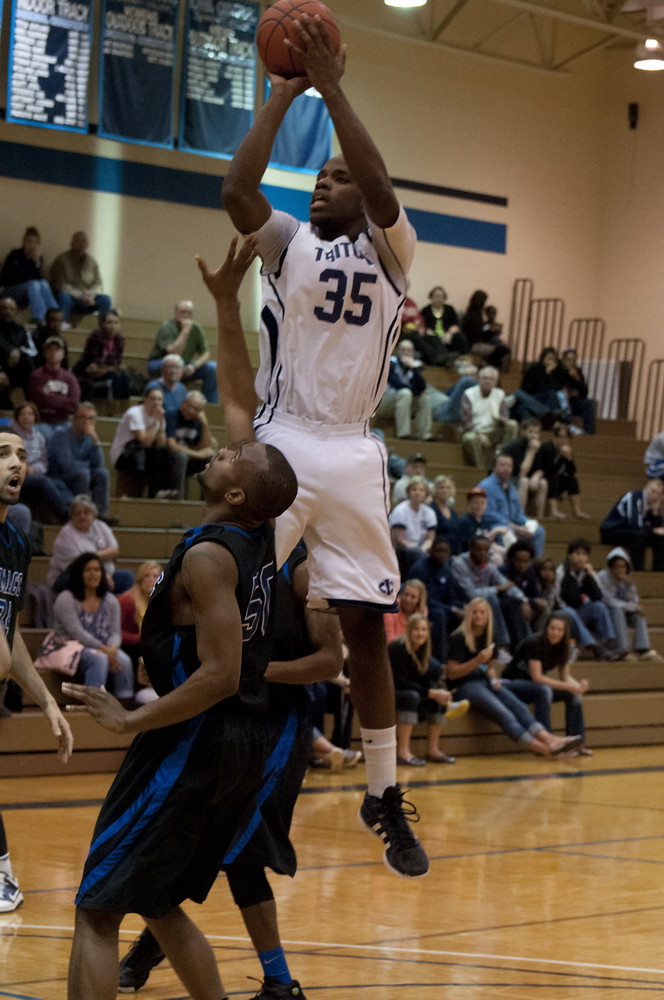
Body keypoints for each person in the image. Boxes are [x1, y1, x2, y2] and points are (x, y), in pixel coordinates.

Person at [222, 14, 429, 878]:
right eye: (316, 176)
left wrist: (335, 87)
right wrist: (283, 92)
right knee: (226, 596)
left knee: (365, 629)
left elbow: (381, 188)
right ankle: (210, 746)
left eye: (335, 178)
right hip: (282, 441)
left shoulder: (394, 248)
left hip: (350, 449)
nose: (321, 185)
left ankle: (381, 791)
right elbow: (238, 191)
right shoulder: (288, 243)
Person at [64, 241, 299, 1000]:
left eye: (236, 456)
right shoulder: (255, 524)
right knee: (158, 904)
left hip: (196, 740)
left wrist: (132, 722)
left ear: (236, 494)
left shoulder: (208, 558)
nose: (229, 447)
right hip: (234, 744)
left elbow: (222, 673)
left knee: (97, 908)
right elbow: (239, 398)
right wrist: (229, 302)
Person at [0, 430, 73, 912]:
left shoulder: (15, 542)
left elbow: (11, 639)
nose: (16, 464)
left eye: (23, 456)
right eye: (3, 454)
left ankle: (4, 875)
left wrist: (46, 700)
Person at [445, 598, 581, 757]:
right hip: (465, 686)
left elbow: (489, 667)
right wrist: (477, 661)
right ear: (469, 614)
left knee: (519, 707)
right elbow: (451, 673)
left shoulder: (490, 636)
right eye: (475, 612)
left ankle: (550, 739)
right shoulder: (459, 637)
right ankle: (545, 750)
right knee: (505, 714)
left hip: (485, 682)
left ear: (488, 615)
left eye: (482, 612)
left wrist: (493, 677)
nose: (478, 616)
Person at [52, 553, 135, 703]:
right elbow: (76, 632)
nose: (93, 574)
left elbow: (115, 632)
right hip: (68, 647)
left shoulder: (110, 599)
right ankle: (93, 703)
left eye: (97, 570)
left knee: (125, 660)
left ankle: (125, 703)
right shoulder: (66, 598)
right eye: (88, 570)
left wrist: (113, 649)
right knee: (99, 659)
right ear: (79, 573)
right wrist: (104, 650)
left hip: (103, 648)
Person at [503, 613, 590, 754]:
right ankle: (548, 741)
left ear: (564, 632)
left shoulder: (564, 647)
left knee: (573, 696)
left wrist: (578, 687)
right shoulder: (534, 642)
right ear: (546, 628)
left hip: (534, 687)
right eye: (552, 628)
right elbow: (537, 677)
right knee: (544, 690)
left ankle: (578, 744)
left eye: (559, 630)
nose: (555, 632)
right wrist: (570, 686)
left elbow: (566, 676)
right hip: (512, 685)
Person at [389, 614, 469, 766]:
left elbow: (426, 680)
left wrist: (440, 692)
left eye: (424, 630)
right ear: (408, 630)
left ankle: (433, 750)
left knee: (437, 698)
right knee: (412, 697)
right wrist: (431, 693)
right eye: (416, 629)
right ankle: (403, 752)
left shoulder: (424, 652)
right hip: (390, 691)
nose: (420, 633)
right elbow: (400, 682)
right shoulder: (397, 648)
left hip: (409, 689)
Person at [450, 535, 529, 656]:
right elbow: (471, 593)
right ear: (470, 549)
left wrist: (524, 600)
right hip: (461, 602)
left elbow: (505, 584)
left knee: (513, 602)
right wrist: (497, 588)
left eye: (486, 550)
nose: (482, 553)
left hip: (481, 604)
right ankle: (502, 645)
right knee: (491, 598)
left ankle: (526, 648)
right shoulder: (459, 564)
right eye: (478, 549)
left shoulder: (488, 564)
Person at [46, 494, 132, 594]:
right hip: (71, 575)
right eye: (77, 514)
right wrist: (103, 561)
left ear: (93, 514)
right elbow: (82, 564)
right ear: (72, 517)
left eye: (86, 513)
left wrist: (94, 558)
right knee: (88, 581)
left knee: (127, 577)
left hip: (102, 573)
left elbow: (114, 550)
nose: (82, 516)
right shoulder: (66, 534)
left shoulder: (101, 526)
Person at [109, 386, 180, 500]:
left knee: (168, 453)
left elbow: (161, 443)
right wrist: (156, 421)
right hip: (124, 454)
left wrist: (161, 425)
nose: (156, 403)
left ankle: (169, 490)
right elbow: (145, 441)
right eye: (153, 399)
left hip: (144, 454)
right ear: (145, 399)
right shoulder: (134, 413)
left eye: (159, 399)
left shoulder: (160, 416)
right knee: (155, 454)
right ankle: (154, 492)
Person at [47, 402, 112, 521]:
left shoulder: (89, 437)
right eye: (83, 417)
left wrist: (95, 440)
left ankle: (100, 515)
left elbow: (98, 464)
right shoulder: (61, 435)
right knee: (82, 473)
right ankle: (84, 513)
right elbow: (66, 465)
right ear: (74, 419)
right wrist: (86, 466)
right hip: (58, 476)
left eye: (91, 418)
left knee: (103, 473)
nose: (87, 421)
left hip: (80, 473)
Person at [598, 547, 663, 662]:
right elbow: (609, 601)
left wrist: (628, 586)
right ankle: (622, 649)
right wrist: (632, 607)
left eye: (622, 567)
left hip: (623, 612)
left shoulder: (627, 579)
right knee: (618, 610)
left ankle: (643, 649)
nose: (619, 570)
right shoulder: (603, 577)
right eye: (616, 567)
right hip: (608, 613)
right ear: (610, 567)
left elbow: (634, 601)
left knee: (638, 615)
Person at [556, 538, 620, 657]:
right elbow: (557, 600)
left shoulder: (587, 572)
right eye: (577, 554)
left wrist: (591, 576)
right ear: (569, 555)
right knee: (569, 612)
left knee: (599, 606)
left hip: (580, 611)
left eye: (584, 554)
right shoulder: (561, 572)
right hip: (562, 614)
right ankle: (593, 645)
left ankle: (608, 643)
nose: (581, 558)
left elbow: (599, 596)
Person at [10, 401, 71, 524]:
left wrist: (34, 469)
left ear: (35, 417)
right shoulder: (10, 434)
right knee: (44, 482)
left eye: (30, 414)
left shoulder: (39, 436)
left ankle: (73, 509)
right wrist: (25, 468)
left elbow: (43, 462)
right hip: (16, 477)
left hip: (34, 474)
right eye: (23, 414)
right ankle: (63, 514)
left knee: (59, 483)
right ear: (17, 417)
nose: (27, 417)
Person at [148, 300, 218, 403]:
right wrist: (185, 331)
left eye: (189, 313)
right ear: (176, 313)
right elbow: (173, 353)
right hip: (160, 363)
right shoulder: (167, 326)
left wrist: (194, 366)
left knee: (213, 368)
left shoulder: (196, 328)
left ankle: (208, 404)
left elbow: (206, 353)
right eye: (183, 312)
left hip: (184, 365)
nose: (186, 315)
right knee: (174, 366)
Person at [479, 452, 546, 557]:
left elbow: (518, 513)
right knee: (506, 532)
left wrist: (528, 524)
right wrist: (515, 528)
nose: (506, 468)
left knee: (539, 531)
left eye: (509, 466)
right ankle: (509, 565)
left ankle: (535, 564)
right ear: (494, 467)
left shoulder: (512, 488)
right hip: (495, 527)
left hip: (513, 525)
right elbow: (488, 515)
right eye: (502, 465)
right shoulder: (486, 486)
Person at [600, 479, 664, 572]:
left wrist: (655, 513)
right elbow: (635, 524)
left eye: (659, 493)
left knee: (660, 538)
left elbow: (657, 527)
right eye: (653, 491)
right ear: (646, 489)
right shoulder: (633, 497)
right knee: (639, 535)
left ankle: (659, 571)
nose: (655, 496)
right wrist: (653, 530)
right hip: (612, 531)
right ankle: (638, 571)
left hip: (631, 532)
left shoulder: (652, 504)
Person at [459, 365, 518, 467]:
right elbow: (466, 420)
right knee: (470, 438)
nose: (487, 381)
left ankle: (501, 456)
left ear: (495, 382)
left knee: (512, 424)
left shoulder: (500, 394)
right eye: (484, 378)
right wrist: (478, 434)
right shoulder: (469, 394)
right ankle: (481, 469)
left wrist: (500, 419)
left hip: (493, 430)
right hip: (475, 431)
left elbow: (505, 415)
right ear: (479, 379)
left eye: (491, 379)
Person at [375, 338, 433, 441]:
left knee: (425, 397)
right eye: (403, 350)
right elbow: (396, 384)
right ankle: (403, 434)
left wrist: (414, 369)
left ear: (413, 352)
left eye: (409, 350)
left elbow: (422, 388)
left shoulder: (415, 365)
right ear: (398, 351)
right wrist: (414, 390)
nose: (406, 352)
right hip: (385, 403)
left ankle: (424, 434)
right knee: (405, 393)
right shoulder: (391, 362)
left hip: (404, 404)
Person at [49, 230, 111, 325]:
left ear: (87, 244)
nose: (81, 244)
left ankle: (103, 328)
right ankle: (62, 325)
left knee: (105, 299)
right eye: (78, 241)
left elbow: (98, 284)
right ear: (72, 243)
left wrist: (92, 294)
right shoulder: (61, 260)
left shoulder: (92, 262)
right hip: (71, 299)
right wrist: (80, 294)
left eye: (84, 242)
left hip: (88, 301)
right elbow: (59, 284)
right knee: (64, 296)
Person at [531, 421, 589, 520]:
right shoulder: (546, 448)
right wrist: (559, 456)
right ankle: (554, 511)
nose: (564, 440)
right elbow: (547, 469)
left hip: (557, 481)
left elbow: (571, 471)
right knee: (553, 477)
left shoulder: (567, 450)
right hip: (544, 479)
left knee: (572, 479)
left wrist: (569, 458)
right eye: (561, 437)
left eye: (567, 438)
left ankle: (577, 511)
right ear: (554, 437)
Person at [0, 226, 58, 323]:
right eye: (29, 241)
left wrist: (36, 263)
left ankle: (56, 317)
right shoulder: (15, 255)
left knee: (43, 283)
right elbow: (8, 278)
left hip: (29, 294)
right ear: (24, 242)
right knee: (33, 284)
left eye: (35, 242)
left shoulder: (37, 259)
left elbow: (38, 280)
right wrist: (29, 264)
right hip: (10, 291)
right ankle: (40, 318)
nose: (32, 245)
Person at [166, 390, 216, 500]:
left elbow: (204, 448)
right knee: (181, 457)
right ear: (183, 403)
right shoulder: (171, 415)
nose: (192, 411)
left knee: (211, 459)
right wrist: (198, 455)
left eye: (197, 409)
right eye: (190, 406)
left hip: (187, 459)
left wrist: (205, 424)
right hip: (168, 459)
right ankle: (178, 499)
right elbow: (171, 445)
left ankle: (207, 502)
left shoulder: (197, 421)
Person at [28, 335, 81, 441]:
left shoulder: (70, 378)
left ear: (63, 354)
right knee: (45, 434)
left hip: (64, 421)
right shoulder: (36, 376)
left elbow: (74, 403)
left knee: (66, 434)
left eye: (57, 350)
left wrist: (50, 399)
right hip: (42, 421)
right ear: (44, 353)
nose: (53, 352)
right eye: (50, 349)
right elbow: (37, 401)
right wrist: (62, 401)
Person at [72, 310, 131, 402]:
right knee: (116, 376)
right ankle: (113, 408)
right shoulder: (96, 337)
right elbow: (95, 364)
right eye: (109, 322)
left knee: (124, 376)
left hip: (108, 372)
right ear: (102, 324)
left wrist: (111, 368)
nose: (113, 326)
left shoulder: (119, 339)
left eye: (116, 323)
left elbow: (116, 363)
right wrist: (112, 368)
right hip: (87, 374)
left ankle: (123, 407)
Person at [500, 418, 548, 520]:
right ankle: (519, 516)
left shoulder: (538, 446)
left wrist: (536, 476)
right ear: (523, 431)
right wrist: (531, 452)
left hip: (526, 480)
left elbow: (540, 469)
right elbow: (521, 473)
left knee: (543, 483)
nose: (534, 435)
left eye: (536, 432)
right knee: (524, 481)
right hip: (509, 480)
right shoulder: (515, 446)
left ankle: (540, 517)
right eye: (530, 432)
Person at [118, 561, 162, 672]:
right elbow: (117, 633)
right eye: (147, 575)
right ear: (140, 578)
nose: (150, 579)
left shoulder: (160, 601)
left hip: (148, 645)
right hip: (130, 647)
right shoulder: (127, 600)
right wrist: (140, 638)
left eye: (155, 576)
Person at [389, 475, 437, 576]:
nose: (417, 493)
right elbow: (398, 539)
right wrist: (417, 550)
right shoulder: (400, 510)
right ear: (408, 492)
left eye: (421, 490)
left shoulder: (429, 512)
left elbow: (430, 538)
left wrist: (422, 550)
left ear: (426, 494)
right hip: (403, 550)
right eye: (414, 489)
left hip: (421, 550)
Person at [410, 285, 467, 367]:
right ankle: (442, 358)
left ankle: (464, 360)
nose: (438, 299)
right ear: (431, 297)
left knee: (460, 337)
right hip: (433, 336)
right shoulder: (426, 310)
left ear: (444, 298)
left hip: (447, 336)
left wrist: (449, 334)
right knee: (430, 339)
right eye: (436, 296)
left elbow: (456, 325)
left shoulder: (449, 309)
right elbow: (424, 326)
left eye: (441, 296)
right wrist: (435, 335)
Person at [461, 291, 510, 371]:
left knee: (503, 347)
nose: (485, 304)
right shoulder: (472, 316)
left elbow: (482, 333)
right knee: (503, 350)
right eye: (484, 302)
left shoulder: (476, 315)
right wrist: (491, 331)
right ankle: (487, 365)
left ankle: (488, 365)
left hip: (478, 341)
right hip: (473, 344)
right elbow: (477, 335)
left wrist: (491, 331)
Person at [0, 295, 35, 396]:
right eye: (4, 308)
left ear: (15, 311)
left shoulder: (20, 329)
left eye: (11, 309)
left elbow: (29, 349)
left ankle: (30, 405)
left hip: (15, 368)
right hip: (1, 367)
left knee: (28, 362)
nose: (8, 312)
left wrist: (18, 351)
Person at [559, 348, 596, 434]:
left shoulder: (577, 371)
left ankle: (589, 433)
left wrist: (577, 379)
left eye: (573, 360)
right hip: (563, 400)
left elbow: (584, 393)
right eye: (568, 360)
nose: (571, 362)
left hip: (574, 401)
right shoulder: (559, 370)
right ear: (563, 360)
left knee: (588, 403)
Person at [428, 474, 463, 554]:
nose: (445, 490)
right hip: (437, 551)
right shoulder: (430, 510)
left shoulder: (453, 512)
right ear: (435, 490)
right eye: (441, 488)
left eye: (448, 488)